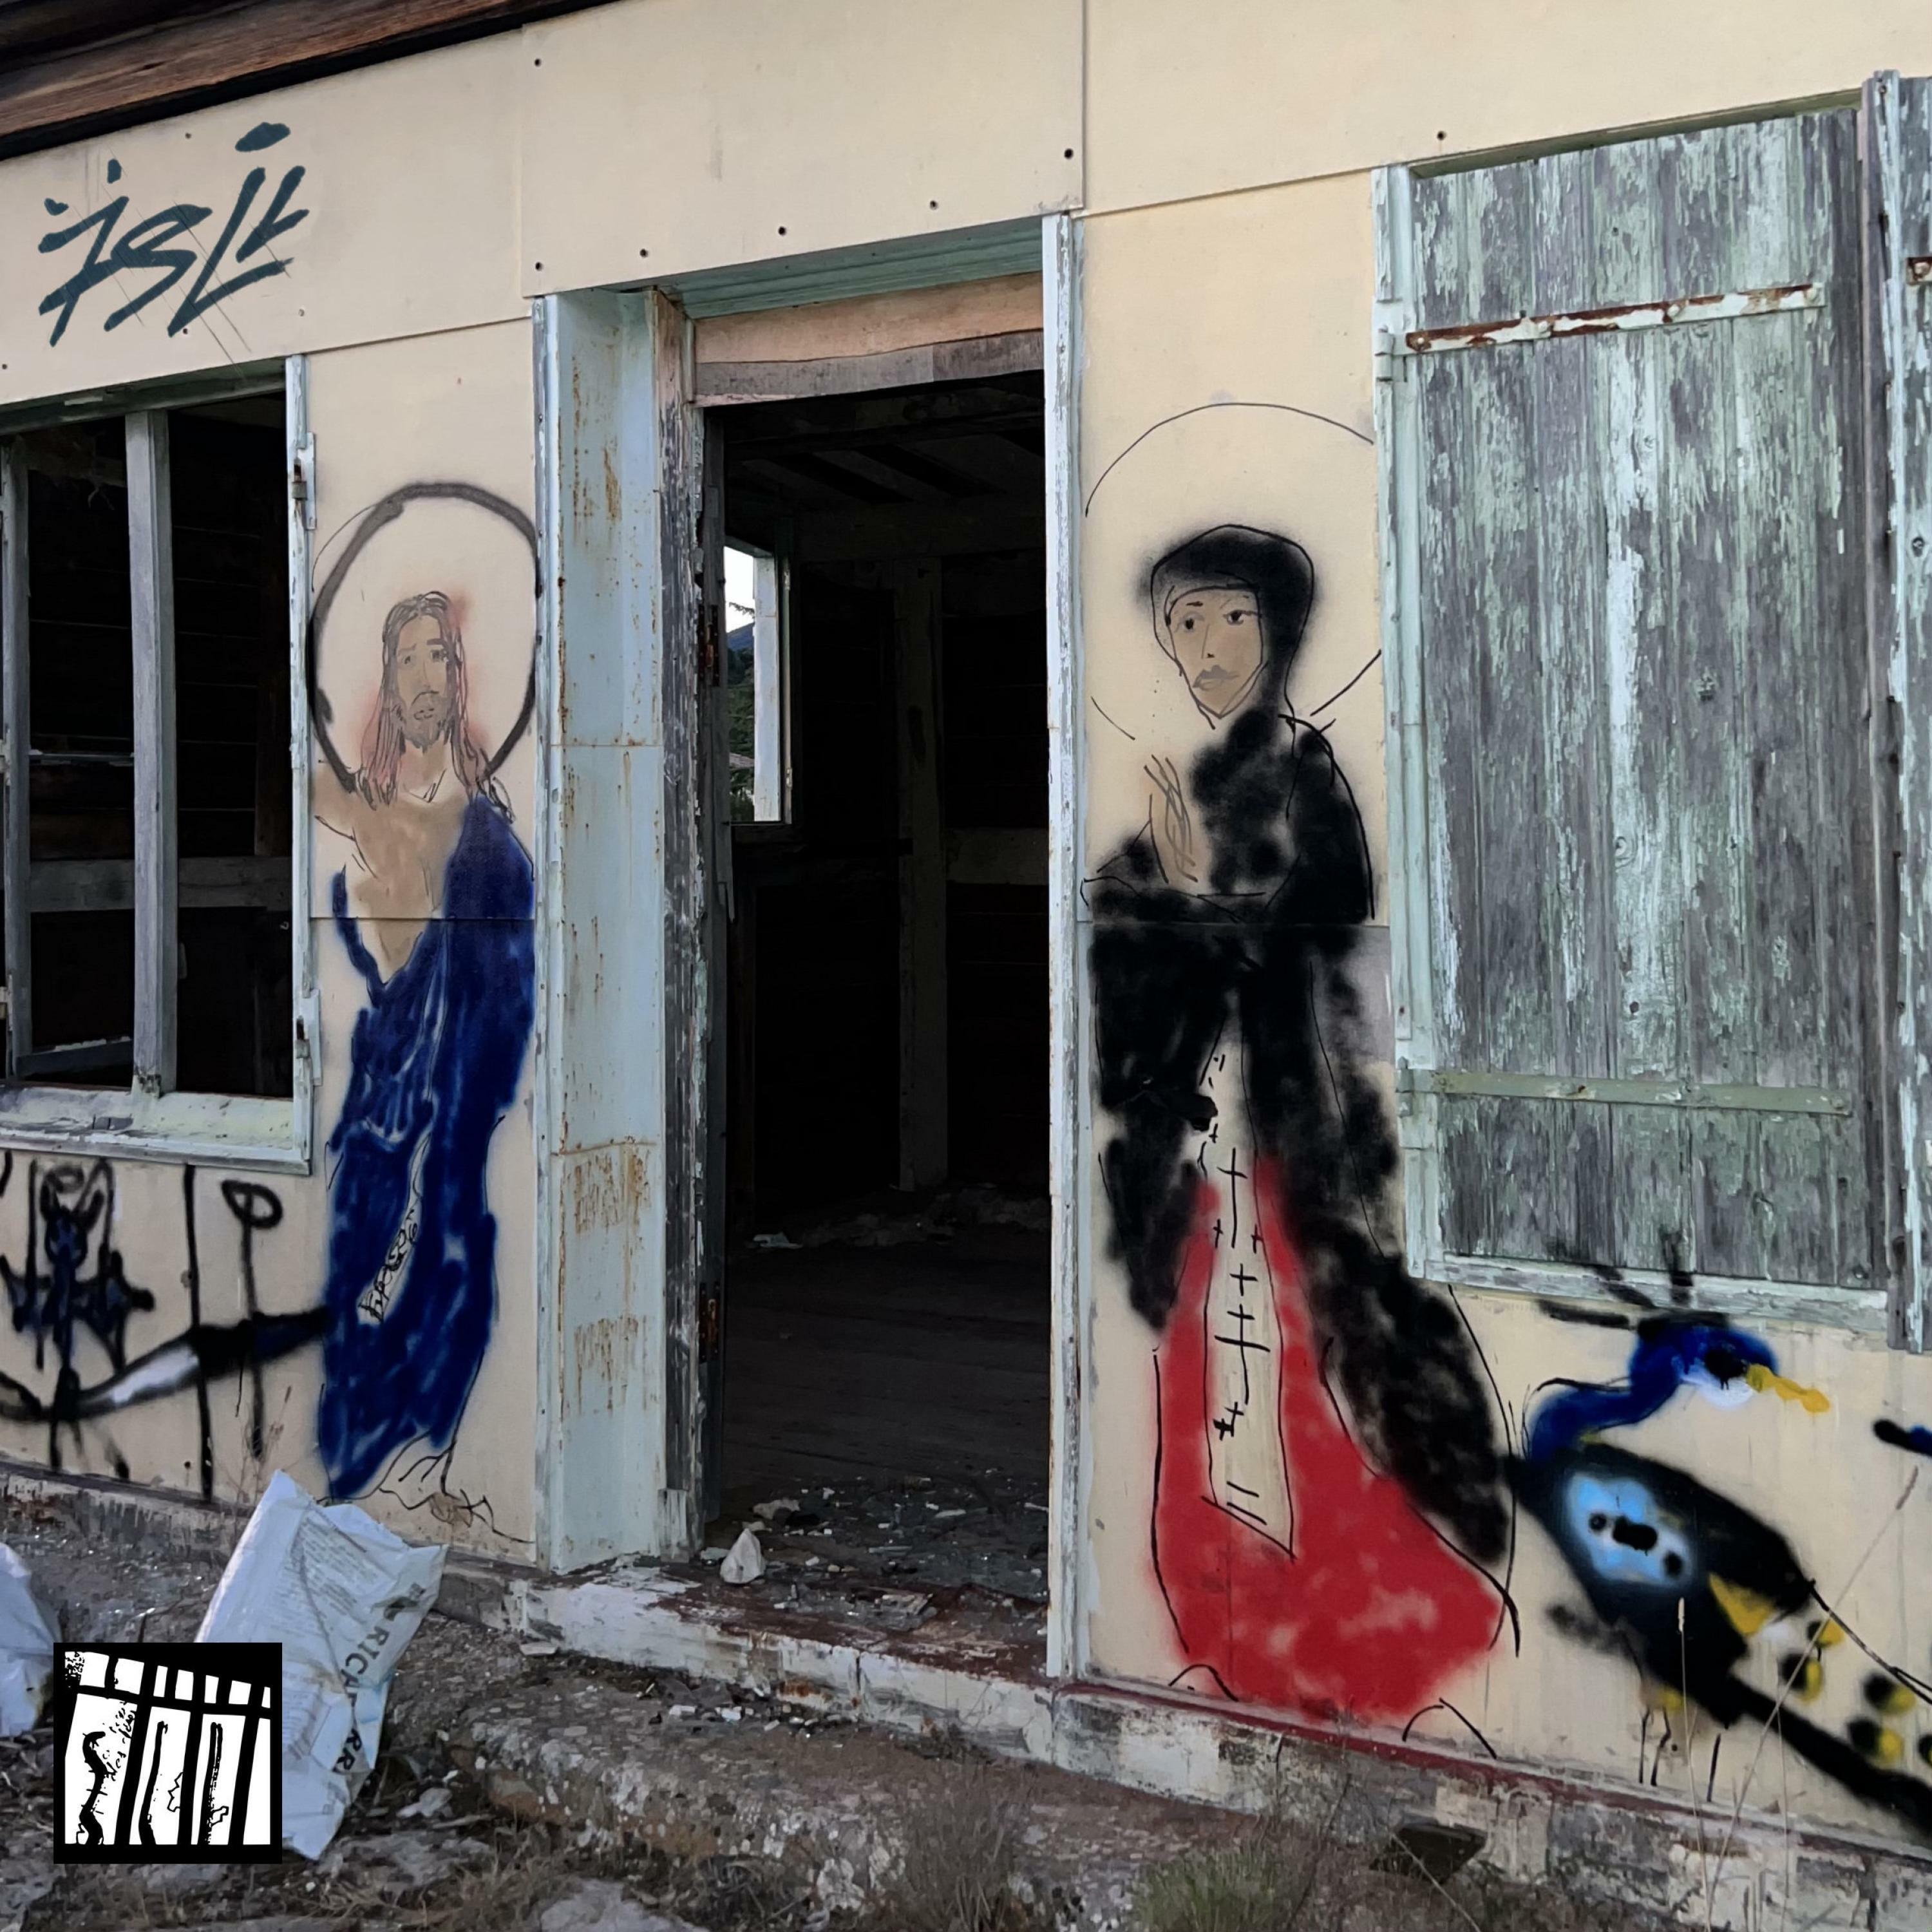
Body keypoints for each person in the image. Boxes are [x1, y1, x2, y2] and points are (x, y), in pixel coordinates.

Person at [1090, 526, 1505, 1721]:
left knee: (1302, 1364)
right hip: (1196, 1137)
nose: (1208, 648)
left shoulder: (1308, 772)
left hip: (1287, 1121)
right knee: (1199, 1372)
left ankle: (1349, 1633)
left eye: (1232, 618)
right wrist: (1156, 895)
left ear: (1277, 633)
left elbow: (1322, 922)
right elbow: (1123, 905)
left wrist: (1196, 901)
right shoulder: (1196, 782)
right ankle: (1218, 1614)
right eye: (1184, 623)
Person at [314, 591, 535, 1500]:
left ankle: (422, 1467)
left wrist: (450, 1119)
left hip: (445, 1143)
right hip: (371, 1120)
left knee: (445, 1276)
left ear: (459, 672)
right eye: (406, 659)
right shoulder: (357, 820)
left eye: (438, 655)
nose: (424, 677)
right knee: (352, 1309)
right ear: (388, 681)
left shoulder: (489, 844)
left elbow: (502, 1018)